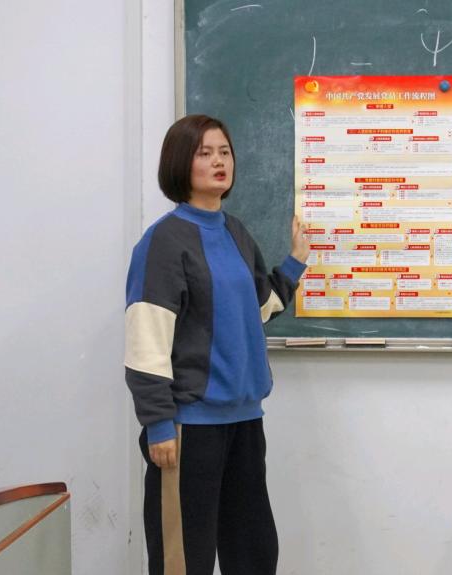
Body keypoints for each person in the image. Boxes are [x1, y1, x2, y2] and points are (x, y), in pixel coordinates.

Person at [124, 114, 310, 575]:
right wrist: (159, 424)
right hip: (190, 428)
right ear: (179, 163)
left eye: (224, 151)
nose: (218, 161)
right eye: (204, 153)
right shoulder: (164, 241)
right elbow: (147, 337)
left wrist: (295, 263)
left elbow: (257, 306)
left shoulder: (235, 232)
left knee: (254, 553)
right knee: (184, 559)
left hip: (244, 422)